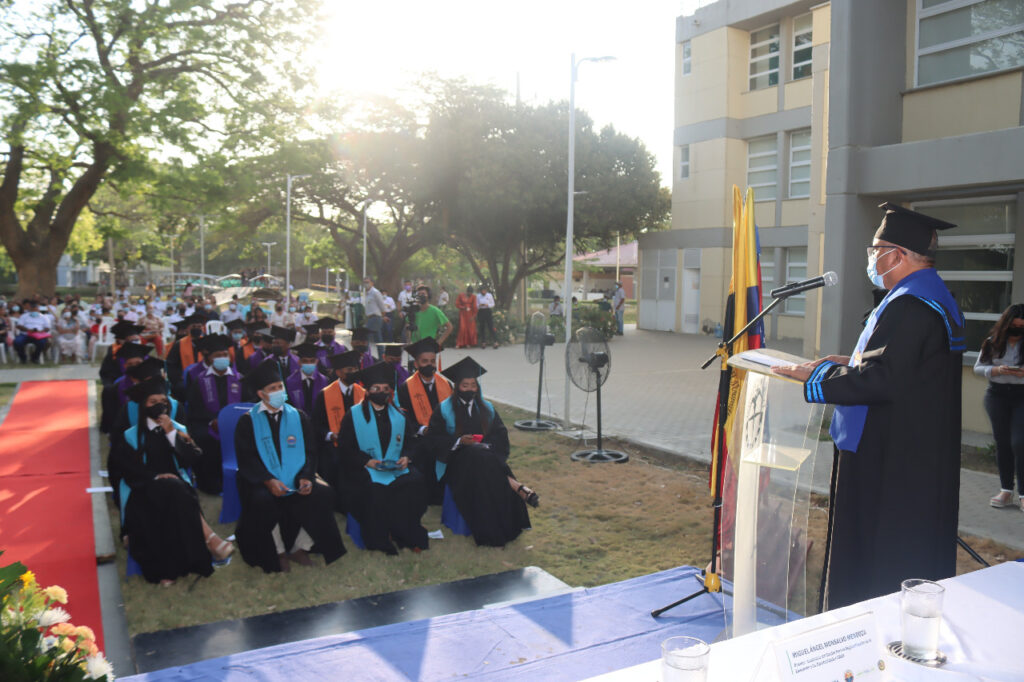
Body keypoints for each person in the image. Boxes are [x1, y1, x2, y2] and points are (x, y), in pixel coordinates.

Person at [774, 202, 965, 610]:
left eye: (875, 249)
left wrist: (812, 377)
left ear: (897, 255)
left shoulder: (911, 306)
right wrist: (850, 361)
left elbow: (885, 379)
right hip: (913, 449)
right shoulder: (929, 296)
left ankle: (863, 630)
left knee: (875, 560)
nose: (871, 257)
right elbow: (905, 367)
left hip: (889, 456)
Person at [109, 380, 233, 586]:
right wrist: (155, 477)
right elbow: (128, 469)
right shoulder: (131, 436)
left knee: (176, 491)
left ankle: (168, 571)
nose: (160, 405)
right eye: (153, 401)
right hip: (142, 489)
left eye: (163, 401)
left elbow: (192, 459)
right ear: (143, 406)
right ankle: (211, 540)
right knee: (174, 490)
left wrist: (171, 434)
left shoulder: (177, 429)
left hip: (177, 488)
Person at [233, 358, 346, 573]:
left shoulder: (299, 417)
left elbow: (311, 452)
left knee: (323, 494)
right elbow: (247, 459)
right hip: (262, 478)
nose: (278, 392)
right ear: (261, 394)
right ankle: (277, 551)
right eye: (272, 388)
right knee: (263, 500)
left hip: (295, 474)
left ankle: (299, 547)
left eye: (280, 387)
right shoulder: (248, 421)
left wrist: (306, 476)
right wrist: (268, 480)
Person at [425, 357, 537, 547]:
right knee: (475, 453)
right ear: (457, 386)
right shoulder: (443, 409)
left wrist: (485, 445)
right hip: (454, 463)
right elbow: (434, 440)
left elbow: (500, 437)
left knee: (480, 454)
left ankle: (511, 500)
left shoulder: (487, 408)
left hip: (485, 461)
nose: (469, 389)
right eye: (465, 385)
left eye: (473, 385)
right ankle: (517, 487)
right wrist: (459, 441)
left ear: (478, 387)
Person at [337, 361, 428, 554]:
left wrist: (406, 457)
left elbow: (412, 443)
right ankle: (380, 539)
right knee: (374, 489)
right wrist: (367, 461)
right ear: (367, 391)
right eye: (376, 388)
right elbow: (345, 448)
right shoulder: (353, 415)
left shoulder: (400, 414)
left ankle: (405, 534)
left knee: (415, 481)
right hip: (364, 468)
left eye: (385, 388)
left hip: (395, 467)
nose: (381, 392)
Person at [973, 303, 1024, 511]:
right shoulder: (991, 343)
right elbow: (978, 368)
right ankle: (1006, 491)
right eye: (1015, 326)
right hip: (997, 396)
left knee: (1019, 443)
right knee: (1002, 443)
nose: (1018, 331)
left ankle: (1023, 494)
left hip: (1022, 397)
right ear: (1006, 324)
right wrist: (995, 370)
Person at [184, 334, 243, 494]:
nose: (223, 358)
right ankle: (211, 483)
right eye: (218, 356)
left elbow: (245, 405)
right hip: (207, 424)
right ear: (209, 358)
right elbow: (195, 409)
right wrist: (212, 421)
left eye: (225, 355)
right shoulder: (200, 380)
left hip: (235, 425)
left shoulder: (239, 379)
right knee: (205, 438)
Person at [396, 337, 451, 505]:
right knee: (425, 450)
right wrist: (422, 430)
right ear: (416, 364)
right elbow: (405, 418)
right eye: (424, 361)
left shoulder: (447, 384)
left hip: (444, 435)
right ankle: (428, 495)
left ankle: (445, 493)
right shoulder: (406, 387)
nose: (430, 365)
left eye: (432, 361)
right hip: (419, 436)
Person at [311, 349, 366, 511]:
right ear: (338, 372)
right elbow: (316, 425)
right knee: (334, 462)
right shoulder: (325, 394)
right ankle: (336, 503)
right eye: (349, 370)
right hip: (333, 444)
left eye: (355, 369)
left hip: (358, 444)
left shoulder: (362, 393)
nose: (353, 373)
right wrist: (330, 434)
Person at [165, 312, 207, 398]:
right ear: (188, 328)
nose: (196, 329)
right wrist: (179, 379)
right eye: (193, 327)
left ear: (202, 328)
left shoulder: (207, 342)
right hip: (184, 380)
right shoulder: (179, 344)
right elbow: (171, 364)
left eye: (199, 327)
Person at [285, 342, 331, 413]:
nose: (309, 364)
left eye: (312, 361)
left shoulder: (324, 381)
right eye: (305, 361)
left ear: (317, 361)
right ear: (299, 362)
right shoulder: (289, 382)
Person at [99, 321, 145, 386]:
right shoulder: (114, 351)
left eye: (136, 340)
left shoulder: (142, 351)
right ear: (121, 341)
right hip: (119, 383)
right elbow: (106, 373)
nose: (135, 343)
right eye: (132, 340)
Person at [13, 300, 52, 364]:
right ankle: (23, 358)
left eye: (35, 310)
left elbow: (47, 328)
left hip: (38, 335)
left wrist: (41, 331)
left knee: (42, 343)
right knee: (17, 342)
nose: (34, 311)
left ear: (38, 309)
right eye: (32, 310)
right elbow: (19, 326)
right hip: (25, 334)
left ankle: (34, 357)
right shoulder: (24, 316)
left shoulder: (44, 317)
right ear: (30, 309)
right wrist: (27, 330)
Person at [362, 277, 387, 344]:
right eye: (364, 282)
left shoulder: (375, 292)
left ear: (372, 283)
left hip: (375, 317)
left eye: (367, 282)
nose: (366, 284)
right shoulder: (367, 293)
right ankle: (381, 353)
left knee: (366, 337)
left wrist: (382, 316)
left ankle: (366, 353)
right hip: (371, 318)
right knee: (378, 339)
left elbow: (382, 306)